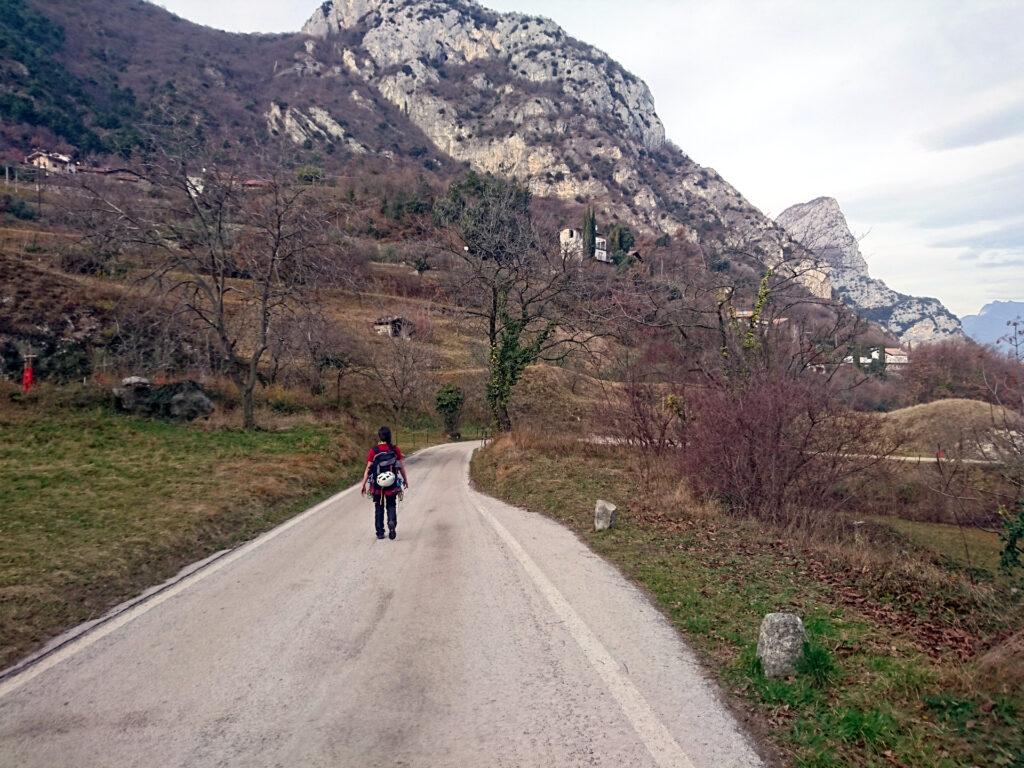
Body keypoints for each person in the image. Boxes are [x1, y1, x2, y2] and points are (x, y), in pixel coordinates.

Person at [361, 426, 409, 540]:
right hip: (391, 484)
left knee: (379, 507)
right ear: (390, 436)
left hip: (377, 486)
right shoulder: (394, 449)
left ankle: (380, 532)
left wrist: (363, 484)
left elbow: (368, 468)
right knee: (391, 505)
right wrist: (405, 480)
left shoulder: (374, 450)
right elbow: (401, 467)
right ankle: (391, 521)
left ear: (379, 436)